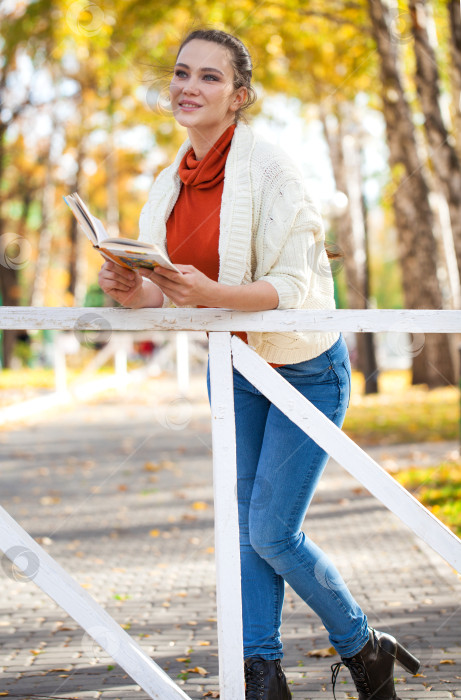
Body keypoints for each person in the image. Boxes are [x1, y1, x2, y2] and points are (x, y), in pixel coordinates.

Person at [98, 28, 420, 700]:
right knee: (245, 527)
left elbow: (294, 286)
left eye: (209, 77)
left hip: (304, 366)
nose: (189, 86)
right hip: (236, 367)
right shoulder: (167, 184)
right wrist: (134, 291)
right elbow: (165, 287)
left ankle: (363, 648)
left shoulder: (272, 169)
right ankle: (262, 674)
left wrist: (212, 296)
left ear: (239, 96)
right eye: (182, 73)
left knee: (272, 530)